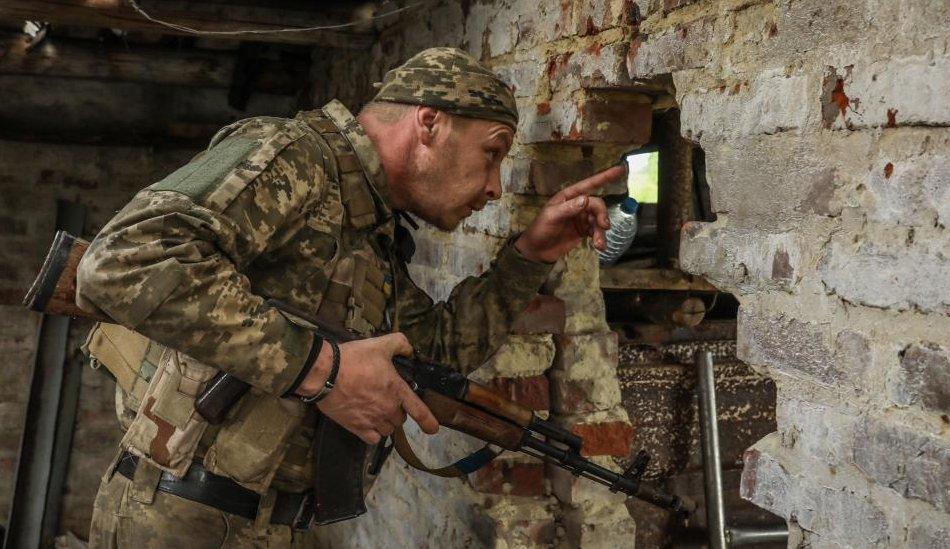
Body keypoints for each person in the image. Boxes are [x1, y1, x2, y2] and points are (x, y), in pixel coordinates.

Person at [77, 47, 624, 547]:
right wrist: (323, 368)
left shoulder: (369, 226)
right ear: (429, 122)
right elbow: (123, 260)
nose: (494, 187)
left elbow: (432, 355)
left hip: (273, 526)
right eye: (492, 152)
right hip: (181, 520)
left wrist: (530, 254)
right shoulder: (294, 156)